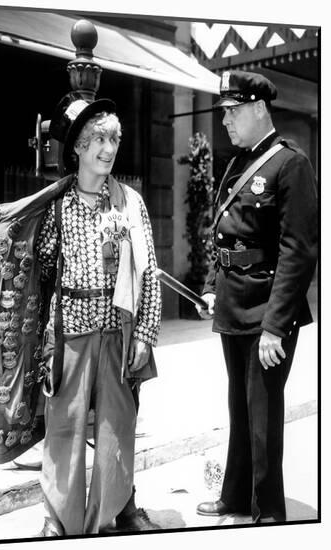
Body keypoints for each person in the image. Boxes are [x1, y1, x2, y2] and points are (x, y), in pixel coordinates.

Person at [0, 92, 162, 535]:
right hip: (70, 333)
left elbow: (149, 271)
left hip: (118, 333)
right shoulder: (57, 207)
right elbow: (30, 264)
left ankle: (117, 509)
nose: (109, 149)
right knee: (65, 431)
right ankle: (58, 519)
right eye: (99, 139)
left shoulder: (130, 202)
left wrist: (146, 334)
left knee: (118, 428)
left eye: (114, 138)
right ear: (77, 146)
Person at [195, 70, 318, 523]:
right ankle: (234, 495)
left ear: (259, 108)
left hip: (268, 310)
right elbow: (225, 235)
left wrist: (274, 326)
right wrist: (211, 287)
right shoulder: (238, 163)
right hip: (232, 305)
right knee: (240, 409)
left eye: (233, 111)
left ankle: (268, 513)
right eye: (223, 113)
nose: (225, 120)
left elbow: (298, 250)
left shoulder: (291, 165)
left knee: (263, 416)